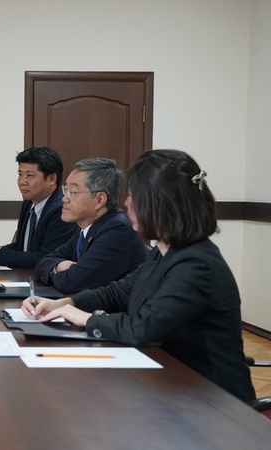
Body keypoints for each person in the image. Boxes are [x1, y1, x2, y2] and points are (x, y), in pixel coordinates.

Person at [23, 150, 255, 402]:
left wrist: (85, 318)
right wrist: (66, 303)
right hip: (171, 383)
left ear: (161, 204)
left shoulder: (196, 262)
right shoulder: (164, 252)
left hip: (213, 399)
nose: (127, 204)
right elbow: (116, 293)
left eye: (134, 196)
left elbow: (143, 327)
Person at [34, 157, 147, 294]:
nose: (64, 198)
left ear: (100, 199)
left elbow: (72, 282)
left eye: (73, 192)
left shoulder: (117, 230)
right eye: (65, 190)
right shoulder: (86, 228)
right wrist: (60, 266)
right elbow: (43, 261)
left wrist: (61, 271)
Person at [0, 147, 76, 268]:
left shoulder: (61, 210)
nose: (22, 181)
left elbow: (46, 258)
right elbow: (22, 248)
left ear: (51, 179)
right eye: (20, 174)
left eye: (29, 175)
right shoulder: (29, 203)